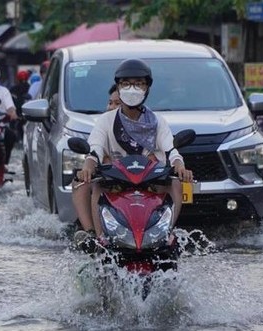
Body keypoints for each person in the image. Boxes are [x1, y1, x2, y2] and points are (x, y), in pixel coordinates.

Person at [72, 59, 193, 243]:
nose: (132, 89)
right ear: (118, 88)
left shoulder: (157, 122)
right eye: (126, 84)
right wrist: (88, 166)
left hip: (150, 180)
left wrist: (180, 166)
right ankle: (96, 238)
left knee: (175, 184)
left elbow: (171, 150)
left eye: (138, 84)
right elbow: (95, 148)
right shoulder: (106, 120)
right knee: (91, 183)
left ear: (147, 88)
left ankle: (166, 233)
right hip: (115, 180)